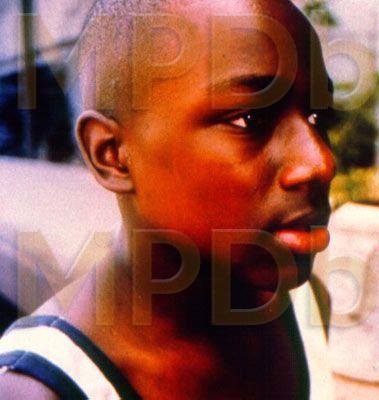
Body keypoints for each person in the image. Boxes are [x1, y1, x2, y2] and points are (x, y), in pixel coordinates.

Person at [0, 0, 336, 398]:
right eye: (249, 119)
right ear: (112, 155)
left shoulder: (304, 307)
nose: (320, 162)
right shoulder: (35, 390)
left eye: (318, 118)